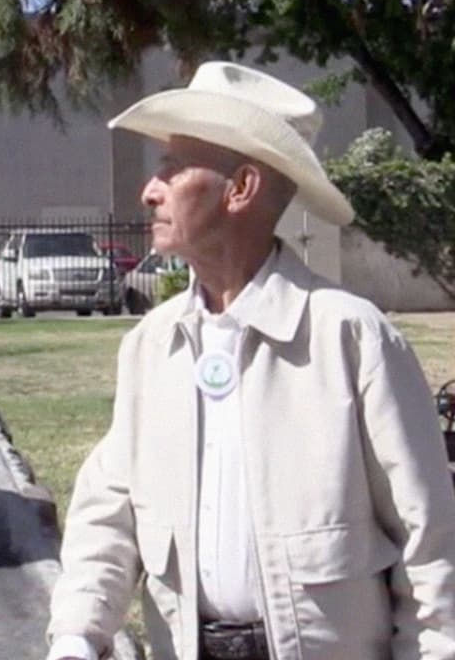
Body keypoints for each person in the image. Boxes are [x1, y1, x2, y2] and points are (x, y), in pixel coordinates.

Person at [46, 62, 455, 660]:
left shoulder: (350, 339)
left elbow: (431, 541)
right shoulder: (150, 348)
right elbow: (108, 513)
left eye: (173, 168)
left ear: (240, 189)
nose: (149, 189)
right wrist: (79, 634)